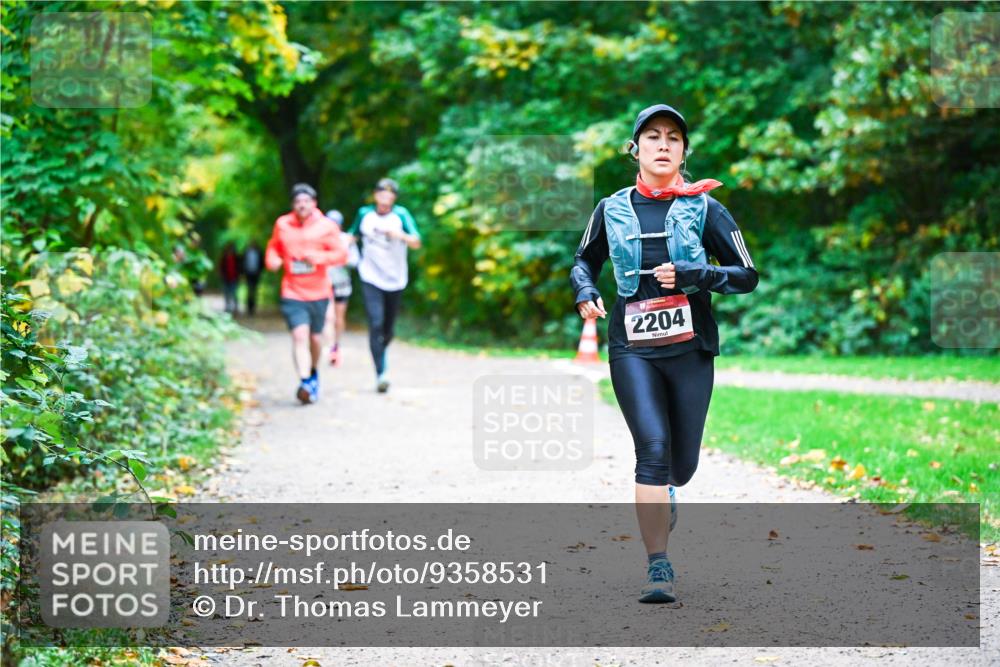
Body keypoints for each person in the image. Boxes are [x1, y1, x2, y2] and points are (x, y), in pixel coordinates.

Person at [570, 104, 759, 603]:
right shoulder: (611, 209)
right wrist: (584, 291)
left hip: (690, 347)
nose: (662, 145)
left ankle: (672, 487)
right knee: (651, 451)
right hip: (631, 347)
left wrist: (698, 275)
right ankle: (659, 566)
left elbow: (746, 274)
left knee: (682, 465)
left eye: (673, 138)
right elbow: (583, 263)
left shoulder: (706, 208)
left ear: (683, 151)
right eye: (652, 137)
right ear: (636, 149)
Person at [265, 183, 348, 404]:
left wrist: (319, 258)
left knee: (315, 339)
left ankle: (312, 373)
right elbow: (274, 247)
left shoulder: (327, 226)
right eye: (298, 202)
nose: (302, 205)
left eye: (306, 201)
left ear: (314, 203)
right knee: (299, 335)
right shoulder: (282, 224)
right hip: (292, 291)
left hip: (319, 291)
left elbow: (341, 255)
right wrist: (272, 259)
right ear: (293, 205)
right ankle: (304, 382)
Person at [345, 178, 421, 393]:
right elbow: (351, 236)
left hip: (395, 278)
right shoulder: (364, 214)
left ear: (394, 198)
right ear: (375, 195)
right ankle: (381, 373)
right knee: (375, 323)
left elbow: (417, 241)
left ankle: (382, 348)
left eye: (390, 194)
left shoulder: (401, 215)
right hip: (370, 276)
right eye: (381, 193)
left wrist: (401, 236)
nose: (385, 197)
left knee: (387, 329)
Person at [323, 210, 360, 366]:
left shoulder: (346, 240)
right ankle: (331, 348)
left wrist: (343, 258)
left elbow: (356, 261)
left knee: (339, 318)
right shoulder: (320, 239)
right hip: (324, 283)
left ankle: (336, 345)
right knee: (328, 317)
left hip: (342, 284)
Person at [242, 240, 264, 316]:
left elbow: (262, 263)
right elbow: (243, 263)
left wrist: (260, 272)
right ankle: (249, 307)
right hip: (248, 274)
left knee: (254, 291)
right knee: (249, 290)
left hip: (256, 274)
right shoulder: (246, 252)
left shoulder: (259, 252)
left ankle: (253, 307)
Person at [219, 242, 241, 314]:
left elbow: (239, 268)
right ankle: (227, 307)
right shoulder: (224, 258)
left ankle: (235, 307)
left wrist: (239, 276)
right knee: (226, 293)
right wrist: (222, 275)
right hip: (226, 278)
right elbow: (221, 267)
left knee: (234, 293)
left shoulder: (236, 257)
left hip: (234, 278)